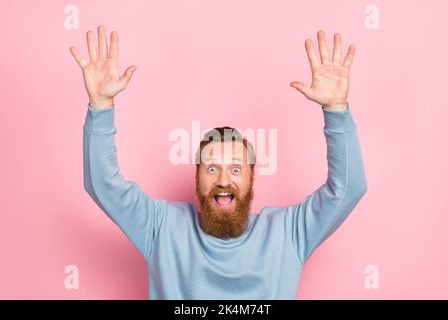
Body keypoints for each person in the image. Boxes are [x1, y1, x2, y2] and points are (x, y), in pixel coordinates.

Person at [70, 26, 367, 299]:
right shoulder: (162, 226)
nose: (224, 179)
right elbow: (103, 184)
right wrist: (101, 105)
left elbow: (348, 188)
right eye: (212, 168)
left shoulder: (287, 231)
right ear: (196, 177)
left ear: (252, 177)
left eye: (236, 168)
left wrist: (336, 109)